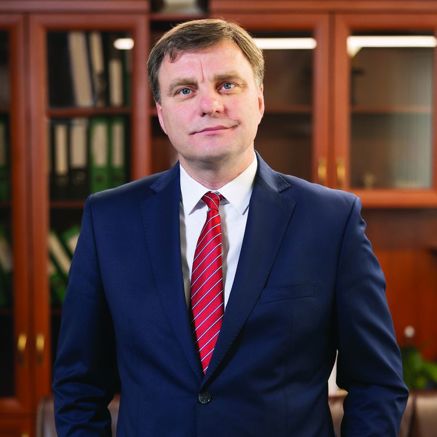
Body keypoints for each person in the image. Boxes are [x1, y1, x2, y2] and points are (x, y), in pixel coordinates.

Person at [53, 18, 408, 436]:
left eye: (227, 85)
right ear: (162, 115)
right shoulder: (109, 219)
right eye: (185, 90)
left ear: (259, 101)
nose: (210, 105)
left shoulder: (331, 220)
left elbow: (376, 383)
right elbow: (79, 385)